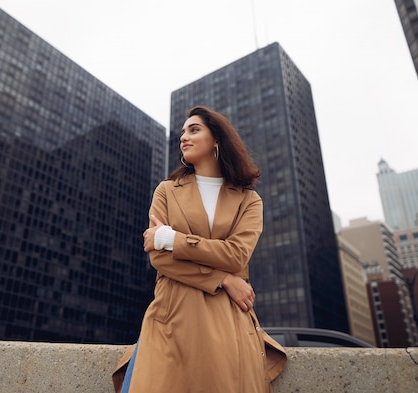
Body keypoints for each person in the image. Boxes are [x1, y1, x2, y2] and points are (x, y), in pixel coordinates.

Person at [112, 106, 287, 393]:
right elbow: (159, 259)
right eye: (182, 132)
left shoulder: (249, 200)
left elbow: (236, 255)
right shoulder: (166, 190)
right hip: (172, 313)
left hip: (226, 318)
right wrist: (223, 279)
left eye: (194, 130)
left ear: (216, 139)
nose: (184, 137)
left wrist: (171, 239)